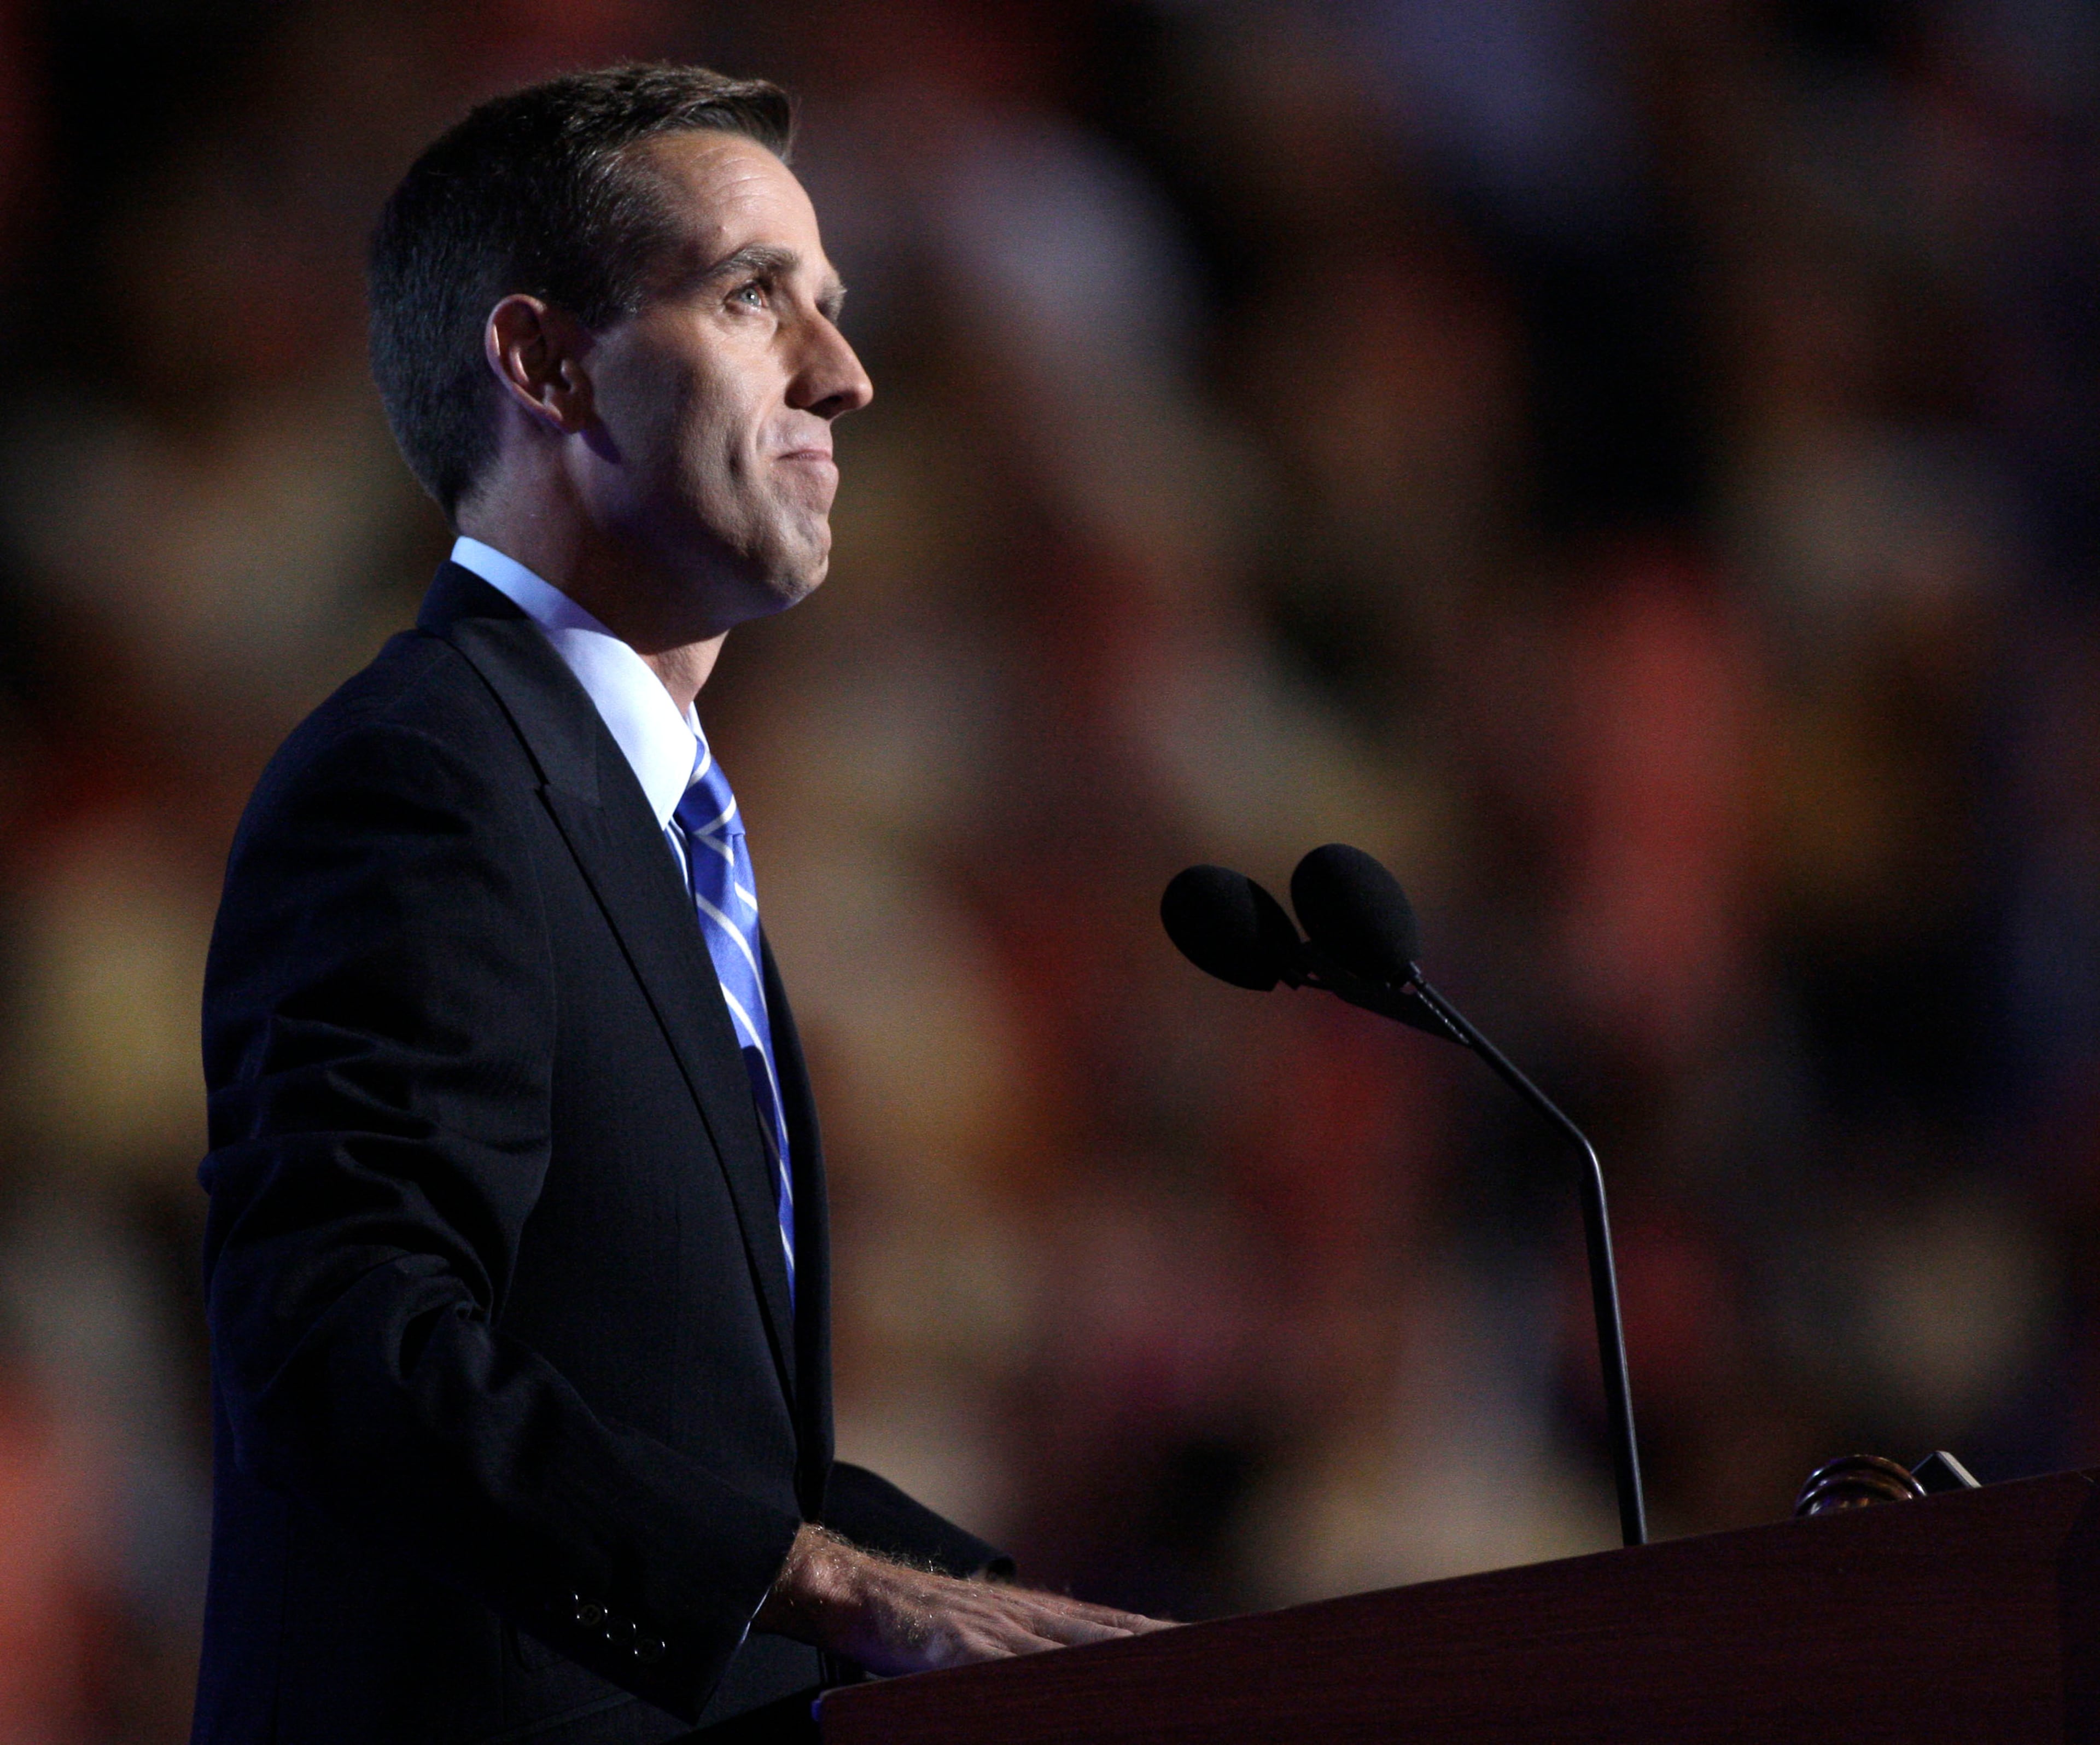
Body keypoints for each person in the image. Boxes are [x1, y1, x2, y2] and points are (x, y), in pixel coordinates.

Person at [192, 63, 1166, 1745]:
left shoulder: (649, 815)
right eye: (749, 297)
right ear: (544, 364)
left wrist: (1123, 1645)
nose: (847, 376)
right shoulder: (425, 777)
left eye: (835, 309)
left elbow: (698, 1457)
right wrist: (858, 1595)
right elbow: (347, 1352)